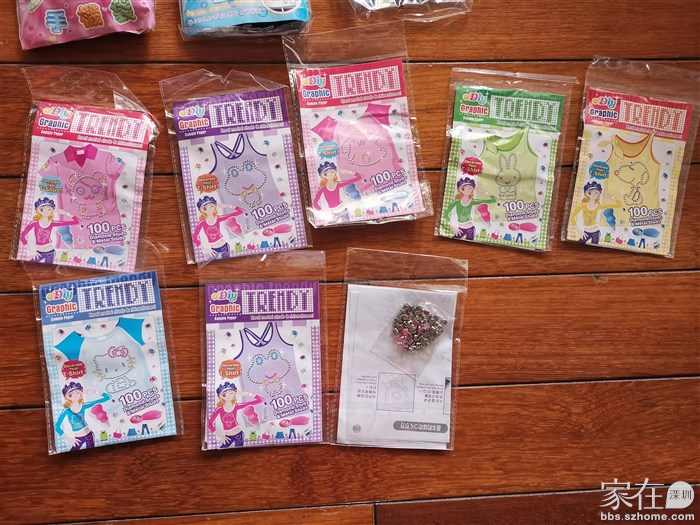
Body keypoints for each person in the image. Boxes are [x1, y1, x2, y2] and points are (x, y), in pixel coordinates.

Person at [19, 198, 79, 264]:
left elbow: (77, 221)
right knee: (30, 265)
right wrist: (29, 249)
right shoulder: (34, 223)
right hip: (38, 252)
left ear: (52, 211)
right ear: (38, 211)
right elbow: (22, 236)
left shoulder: (53, 223)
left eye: (49, 209)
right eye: (42, 209)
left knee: (48, 269)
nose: (46, 211)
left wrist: (65, 213)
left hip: (50, 252)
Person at [54, 382, 111, 451]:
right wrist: (68, 438)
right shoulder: (66, 410)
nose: (75, 395)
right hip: (77, 438)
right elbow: (57, 427)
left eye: (77, 392)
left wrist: (94, 392)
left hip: (89, 435)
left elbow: (108, 397)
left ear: (81, 393)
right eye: (70, 395)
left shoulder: (84, 406)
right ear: (66, 397)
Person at [207, 382, 263, 448]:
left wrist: (248, 394)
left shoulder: (236, 406)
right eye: (224, 394)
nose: (228, 395)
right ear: (220, 397)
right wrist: (218, 435)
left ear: (234, 395)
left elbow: (261, 400)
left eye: (231, 393)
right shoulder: (219, 409)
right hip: (227, 436)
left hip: (239, 435)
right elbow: (209, 424)